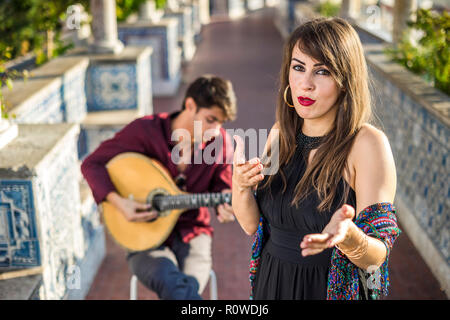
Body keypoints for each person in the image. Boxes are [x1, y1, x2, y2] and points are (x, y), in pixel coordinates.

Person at [231, 17, 401, 300]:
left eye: (322, 72)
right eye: (298, 68)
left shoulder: (367, 144)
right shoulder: (279, 133)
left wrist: (350, 238)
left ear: (345, 81)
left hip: (325, 289)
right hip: (271, 284)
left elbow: (377, 256)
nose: (305, 84)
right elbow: (252, 225)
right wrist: (240, 185)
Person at [81, 75, 237, 300]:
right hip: (143, 237)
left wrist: (226, 203)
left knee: (185, 287)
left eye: (221, 123)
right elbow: (91, 164)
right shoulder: (146, 131)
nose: (215, 130)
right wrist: (119, 202)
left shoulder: (220, 142)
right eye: (210, 119)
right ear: (190, 105)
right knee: (176, 285)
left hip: (193, 233)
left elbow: (224, 185)